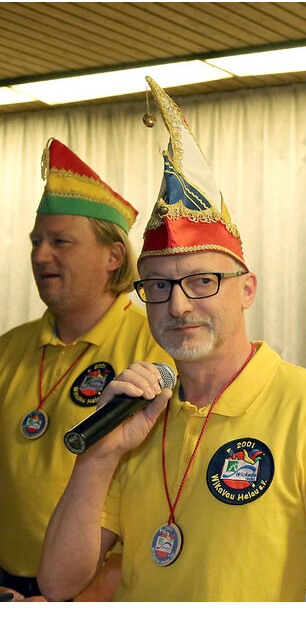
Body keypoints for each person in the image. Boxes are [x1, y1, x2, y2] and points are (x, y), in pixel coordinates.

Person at [37, 77, 306, 602]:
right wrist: (99, 456)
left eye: (202, 281)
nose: (178, 305)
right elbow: (58, 581)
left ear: (247, 289)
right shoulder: (138, 415)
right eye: (159, 286)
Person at [0, 139, 169, 601]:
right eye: (36, 242)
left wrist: (76, 603)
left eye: (61, 242)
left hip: (93, 596)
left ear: (113, 256)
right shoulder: (9, 350)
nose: (41, 256)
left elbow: (163, 495)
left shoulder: (154, 349)